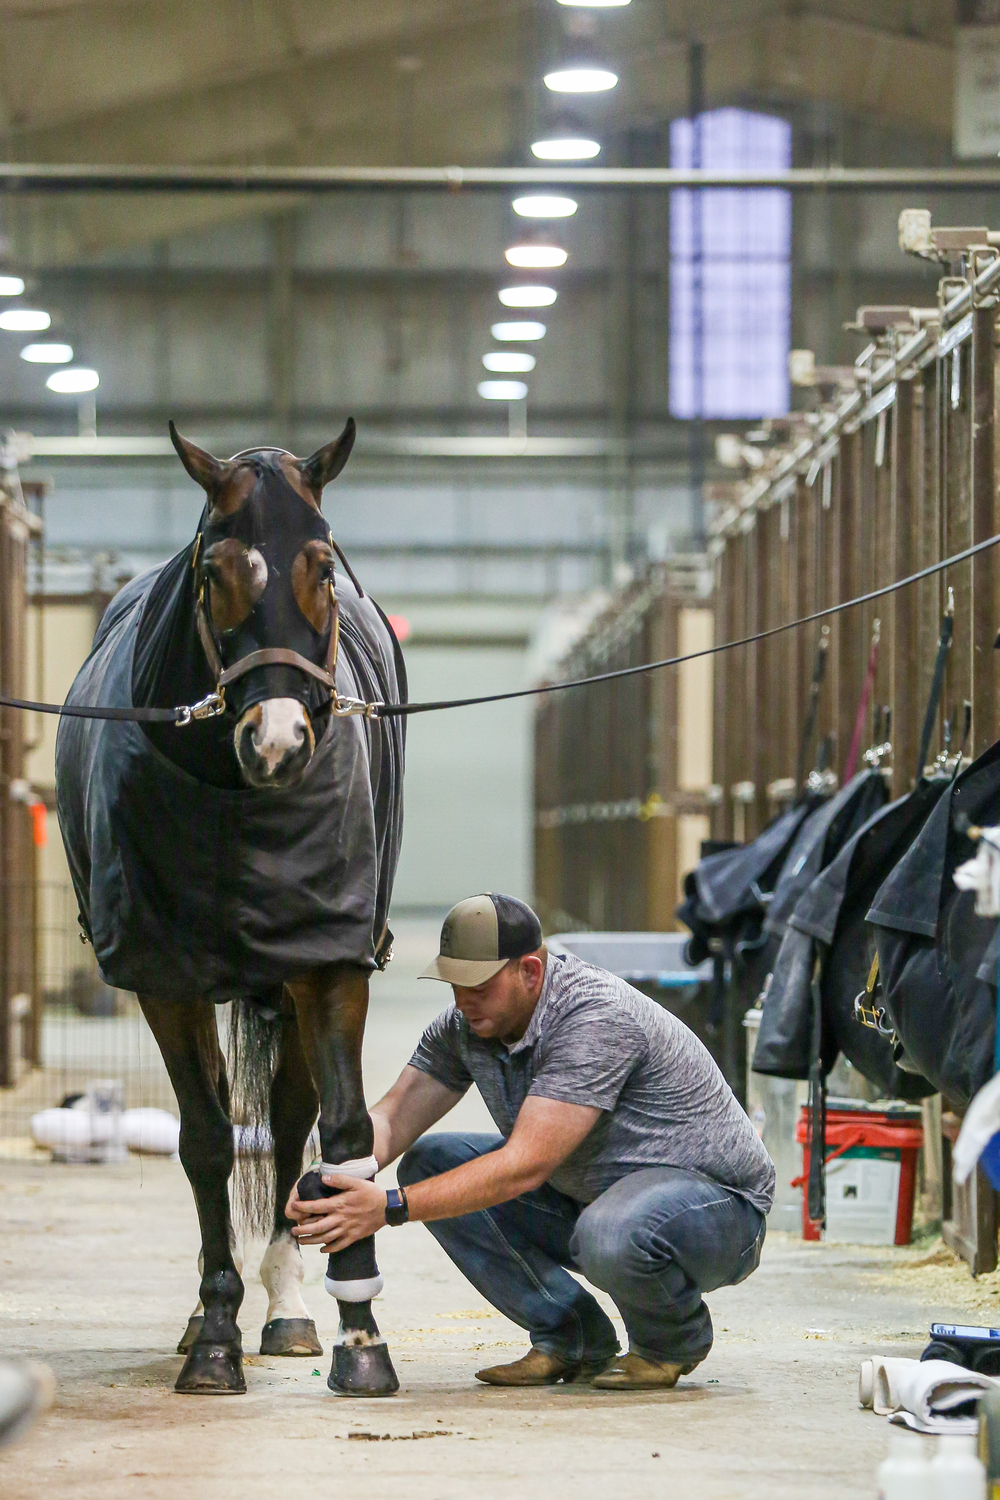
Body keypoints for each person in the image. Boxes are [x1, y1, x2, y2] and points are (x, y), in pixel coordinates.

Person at [287, 893, 775, 1390]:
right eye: (454, 983)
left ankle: (668, 1343)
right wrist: (334, 1172)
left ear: (530, 972)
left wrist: (388, 1207)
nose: (462, 1000)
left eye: (477, 985)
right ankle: (571, 1337)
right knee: (431, 1163)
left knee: (609, 1232)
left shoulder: (593, 1018)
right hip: (596, 1195)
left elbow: (526, 1165)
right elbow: (391, 1118)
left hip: (719, 1209)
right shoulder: (467, 1026)